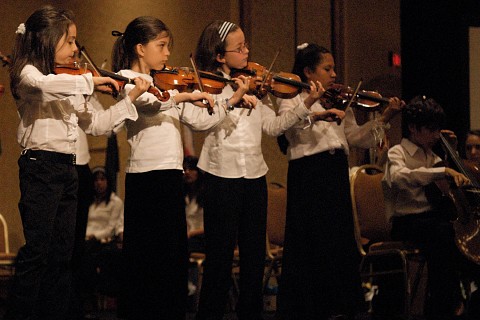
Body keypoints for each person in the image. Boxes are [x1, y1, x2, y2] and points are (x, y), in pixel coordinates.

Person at [5, 5, 150, 320]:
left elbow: (97, 125)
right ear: (48, 40)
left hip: (68, 169)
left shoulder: (70, 80)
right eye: (70, 41)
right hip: (39, 168)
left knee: (62, 256)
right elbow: (44, 88)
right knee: (37, 254)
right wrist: (91, 82)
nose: (75, 49)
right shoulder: (28, 72)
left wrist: (128, 101)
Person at [193, 21, 330, 320]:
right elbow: (201, 122)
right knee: (220, 259)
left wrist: (307, 102)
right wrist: (234, 98)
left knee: (255, 259)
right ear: (219, 56)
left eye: (246, 45)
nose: (247, 52)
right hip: (221, 176)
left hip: (254, 177)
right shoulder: (208, 85)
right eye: (239, 48)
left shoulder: (255, 83)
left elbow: (273, 126)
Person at [110, 16, 239, 320]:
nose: (168, 54)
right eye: (162, 46)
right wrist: (186, 95)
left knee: (173, 257)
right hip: (144, 177)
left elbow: (200, 120)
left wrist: (230, 100)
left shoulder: (167, 82)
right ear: (141, 48)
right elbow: (151, 104)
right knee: (146, 258)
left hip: (170, 176)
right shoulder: (128, 78)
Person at [275, 43, 404, 320]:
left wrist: (385, 117)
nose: (334, 74)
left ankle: (338, 306)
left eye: (333, 68)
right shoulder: (291, 94)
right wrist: (310, 102)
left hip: (335, 170)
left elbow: (357, 137)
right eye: (327, 68)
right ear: (309, 71)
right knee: (311, 238)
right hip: (308, 172)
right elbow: (286, 128)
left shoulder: (337, 98)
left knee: (338, 238)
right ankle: (308, 308)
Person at [382, 96, 480, 319]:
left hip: (432, 221)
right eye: (431, 129)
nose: (437, 135)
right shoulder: (398, 153)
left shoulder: (433, 155)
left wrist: (451, 154)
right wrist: (441, 171)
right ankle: (446, 306)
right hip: (406, 222)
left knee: (452, 237)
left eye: (438, 129)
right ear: (413, 128)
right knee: (445, 236)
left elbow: (449, 189)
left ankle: (459, 305)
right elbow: (398, 177)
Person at [78, 166, 124, 316]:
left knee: (88, 255)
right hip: (86, 240)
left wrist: (93, 236)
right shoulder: (89, 202)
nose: (99, 183)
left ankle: (90, 299)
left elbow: (111, 228)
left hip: (103, 241)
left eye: (102, 179)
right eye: (96, 179)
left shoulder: (115, 202)